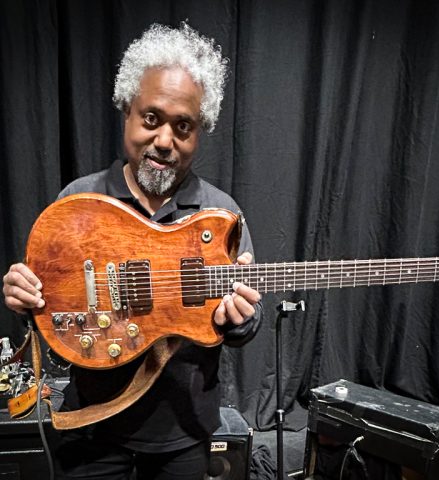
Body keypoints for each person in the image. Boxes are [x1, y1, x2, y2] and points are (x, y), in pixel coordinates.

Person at [2, 23, 262, 480]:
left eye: (184, 127)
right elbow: (51, 309)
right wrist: (26, 300)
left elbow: (245, 321)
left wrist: (242, 316)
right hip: (92, 427)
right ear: (127, 111)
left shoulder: (220, 213)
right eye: (152, 119)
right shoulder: (80, 201)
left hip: (184, 430)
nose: (165, 141)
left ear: (200, 132)